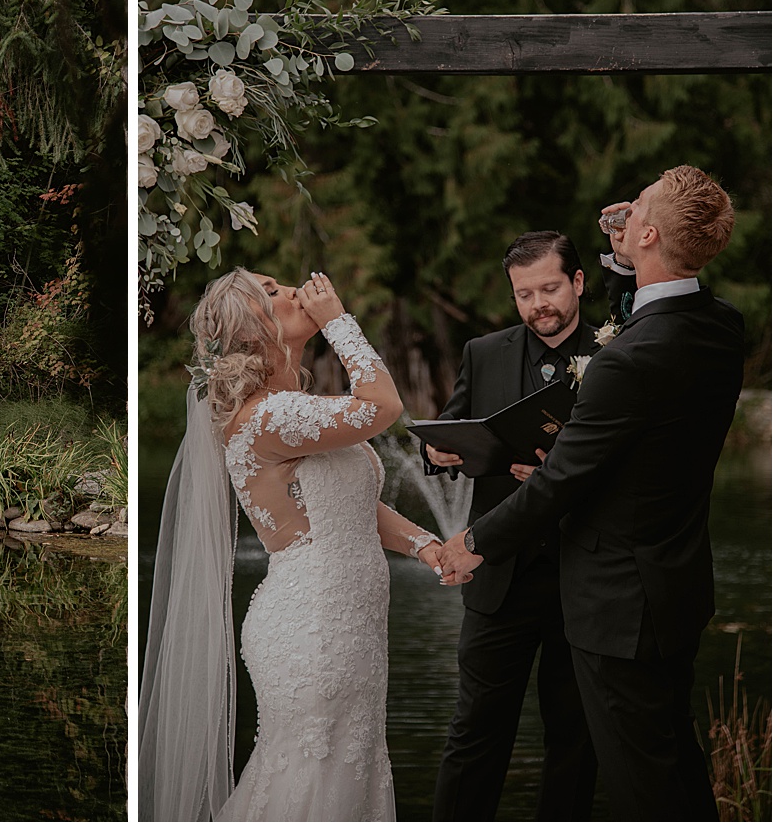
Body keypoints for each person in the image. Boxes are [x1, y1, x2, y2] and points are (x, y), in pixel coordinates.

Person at [438, 166, 743, 820]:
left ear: (653, 233)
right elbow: (653, 306)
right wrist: (627, 247)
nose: (622, 212)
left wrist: (474, 542)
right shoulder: (719, 325)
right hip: (674, 587)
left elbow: (562, 480)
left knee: (644, 791)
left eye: (635, 209)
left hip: (617, 606)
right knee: (677, 768)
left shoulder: (626, 360)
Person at [139, 267, 448, 822]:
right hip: (313, 632)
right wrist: (339, 322)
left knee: (341, 779)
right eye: (273, 292)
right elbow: (384, 405)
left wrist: (427, 547)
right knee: (307, 782)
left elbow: (350, 506)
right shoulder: (266, 417)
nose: (293, 290)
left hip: (350, 631)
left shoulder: (292, 409)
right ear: (253, 333)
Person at [424, 231, 598, 819]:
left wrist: (564, 472)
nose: (537, 305)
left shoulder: (616, 351)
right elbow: (456, 424)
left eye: (549, 288)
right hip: (499, 575)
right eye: (524, 294)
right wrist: (440, 452)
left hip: (584, 575)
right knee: (475, 730)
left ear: (578, 282)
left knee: (574, 738)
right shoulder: (485, 351)